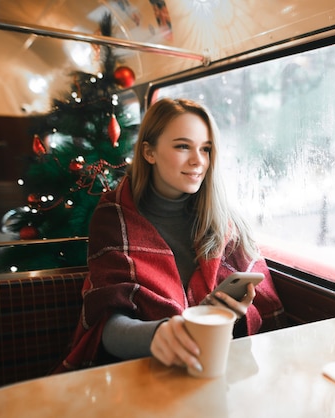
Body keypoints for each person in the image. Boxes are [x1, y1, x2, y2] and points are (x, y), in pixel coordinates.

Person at [54, 98, 285, 374]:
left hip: (219, 369)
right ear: (149, 153)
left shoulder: (225, 221)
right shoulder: (113, 216)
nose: (198, 160)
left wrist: (228, 314)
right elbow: (107, 324)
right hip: (142, 373)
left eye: (206, 149)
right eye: (183, 146)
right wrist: (158, 334)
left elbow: (262, 316)